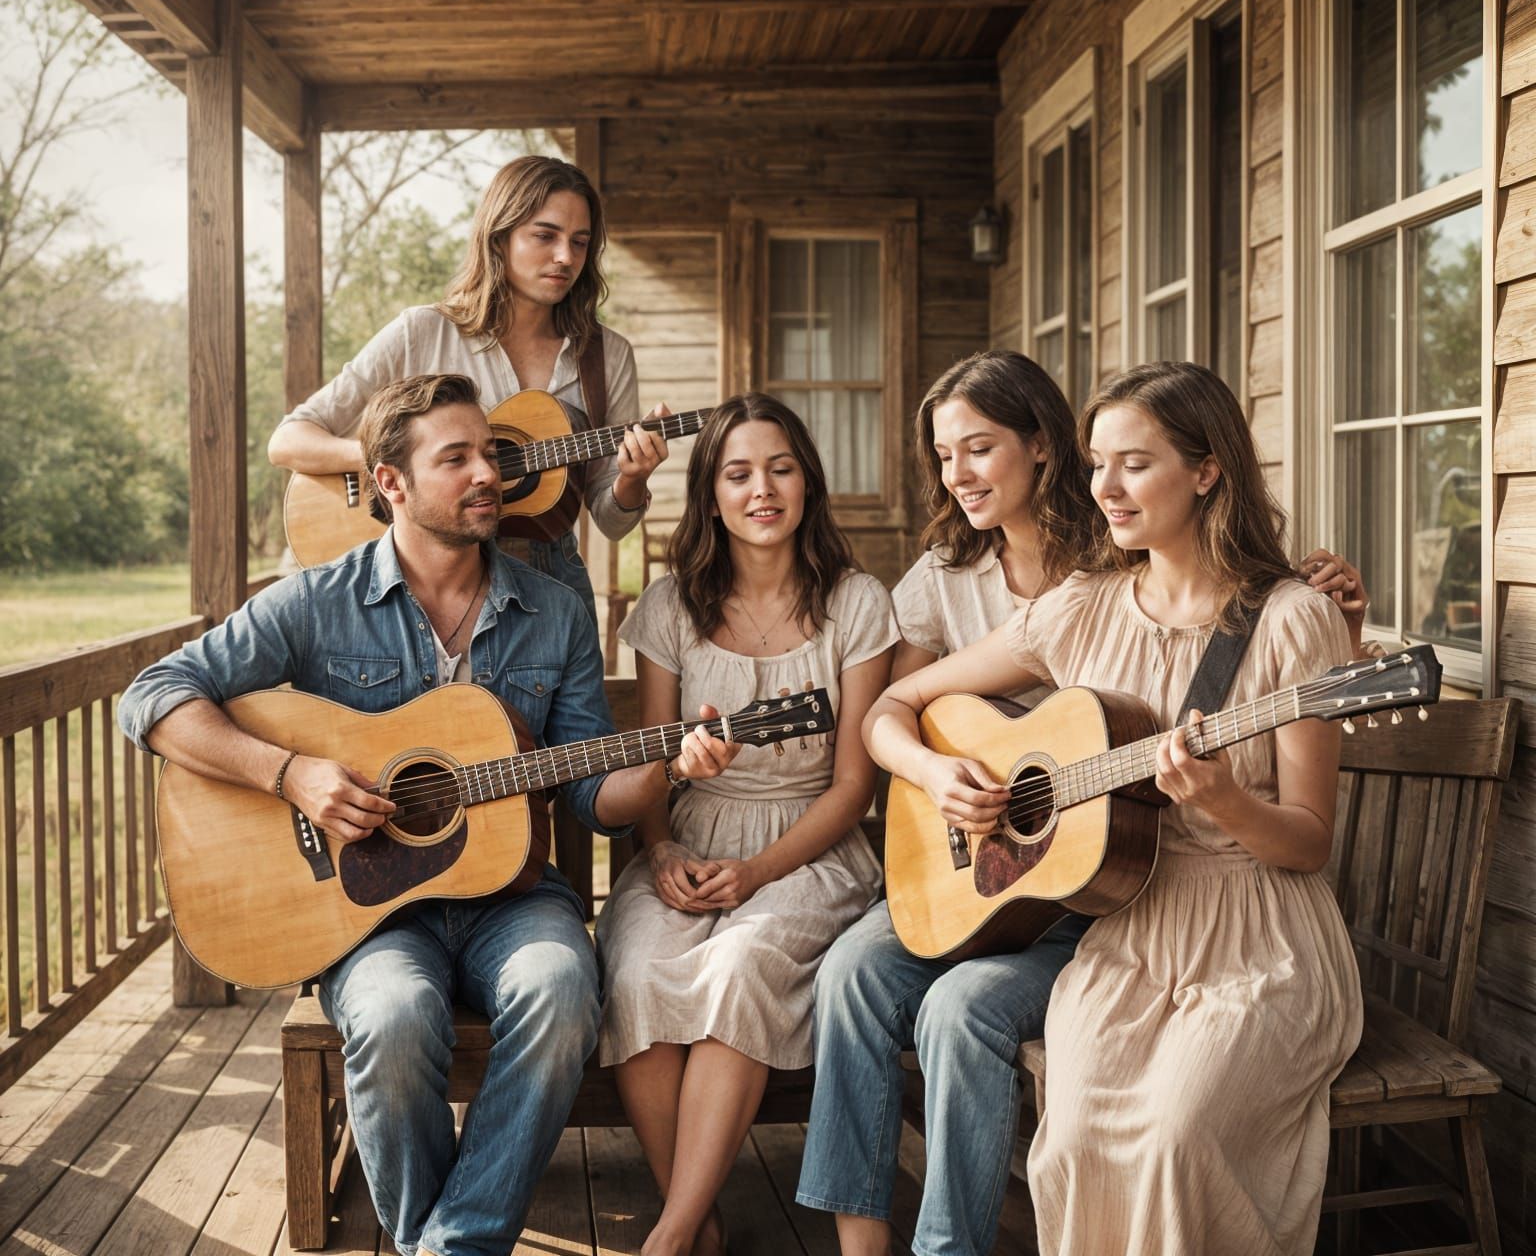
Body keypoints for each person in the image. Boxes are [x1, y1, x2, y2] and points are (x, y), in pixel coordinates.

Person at [121, 373, 737, 1256]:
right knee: (392, 1014)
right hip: (371, 916)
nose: (488, 473)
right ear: (391, 483)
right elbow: (152, 695)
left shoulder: (555, 614)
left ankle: (447, 1247)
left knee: (563, 990)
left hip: (514, 900)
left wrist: (668, 771)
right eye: (458, 459)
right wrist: (289, 773)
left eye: (490, 452)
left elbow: (591, 797)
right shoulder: (316, 601)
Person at [862, 361, 1365, 1256]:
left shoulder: (1293, 620)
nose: (1104, 488)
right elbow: (891, 711)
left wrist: (1226, 802)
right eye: (1097, 464)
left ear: (1208, 470)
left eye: (1133, 464)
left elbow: (1309, 842)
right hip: (1128, 936)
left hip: (1259, 941)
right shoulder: (1080, 609)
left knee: (1174, 1135)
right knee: (1074, 1138)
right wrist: (938, 779)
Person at [797, 350, 1098, 1256]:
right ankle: (861, 1247)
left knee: (954, 1006)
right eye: (942, 455)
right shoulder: (944, 575)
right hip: (973, 870)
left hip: (1092, 885)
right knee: (850, 973)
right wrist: (933, 775)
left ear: (1041, 446)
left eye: (979, 448)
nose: (956, 474)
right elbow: (885, 720)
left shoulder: (1117, 566)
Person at [595, 393, 899, 1256]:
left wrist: (760, 873)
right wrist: (658, 853)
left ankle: (671, 1237)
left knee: (738, 966)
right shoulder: (670, 605)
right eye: (738, 474)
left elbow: (854, 787)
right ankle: (701, 1220)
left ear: (808, 482)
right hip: (687, 840)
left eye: (780, 469)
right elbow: (654, 759)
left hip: (811, 847)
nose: (761, 490)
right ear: (711, 493)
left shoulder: (856, 602)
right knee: (639, 972)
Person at [268, 155, 668, 620]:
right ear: (499, 238)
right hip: (426, 580)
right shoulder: (422, 332)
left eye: (579, 243)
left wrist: (633, 478)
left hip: (548, 581)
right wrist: (401, 462)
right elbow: (288, 441)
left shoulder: (607, 356)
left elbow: (610, 520)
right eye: (545, 236)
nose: (565, 257)